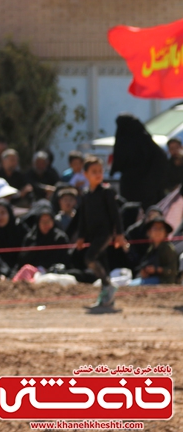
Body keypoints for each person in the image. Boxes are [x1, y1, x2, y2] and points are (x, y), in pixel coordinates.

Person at [67, 157, 124, 311]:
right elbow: (83, 219)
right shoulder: (86, 195)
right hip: (92, 234)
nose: (98, 174)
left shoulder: (107, 192)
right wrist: (80, 237)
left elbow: (115, 214)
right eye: (94, 172)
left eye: (100, 171)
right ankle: (106, 299)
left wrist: (119, 233)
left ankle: (107, 284)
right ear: (85, 174)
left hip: (104, 234)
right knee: (102, 263)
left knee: (89, 258)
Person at [112, 114, 168, 208]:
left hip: (130, 187)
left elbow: (119, 162)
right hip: (149, 188)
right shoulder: (146, 140)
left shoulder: (123, 141)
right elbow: (161, 159)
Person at [129, 215, 179, 285]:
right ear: (149, 232)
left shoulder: (168, 248)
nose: (158, 232)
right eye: (155, 228)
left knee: (133, 285)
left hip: (164, 281)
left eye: (161, 229)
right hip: (151, 279)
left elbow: (173, 271)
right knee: (131, 284)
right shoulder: (151, 248)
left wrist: (156, 269)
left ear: (165, 233)